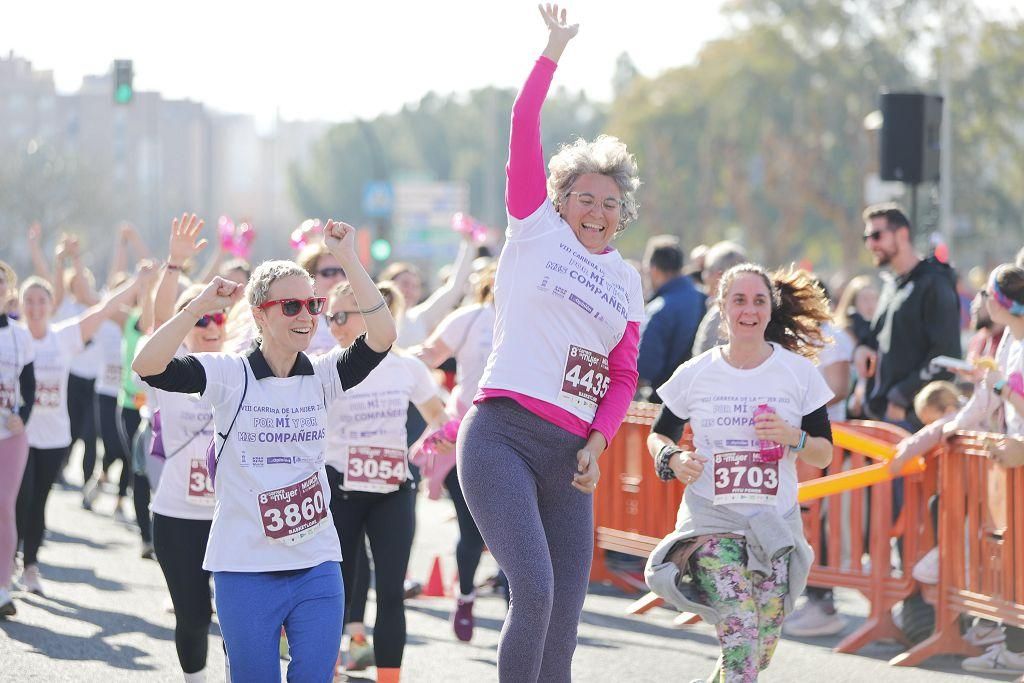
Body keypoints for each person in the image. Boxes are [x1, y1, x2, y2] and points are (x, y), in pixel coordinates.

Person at [457, 6, 644, 680]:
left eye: (610, 203)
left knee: (566, 614)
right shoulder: (534, 228)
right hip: (502, 434)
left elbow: (623, 375)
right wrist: (553, 50)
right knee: (532, 590)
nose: (597, 211)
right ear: (562, 199)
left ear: (625, 215)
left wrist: (597, 443)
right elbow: (523, 123)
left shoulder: (626, 280)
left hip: (572, 455)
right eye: (586, 197)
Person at [133, 219, 396, 683]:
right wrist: (198, 306)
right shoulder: (229, 375)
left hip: (316, 566)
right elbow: (148, 365)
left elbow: (382, 336)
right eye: (290, 305)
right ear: (259, 314)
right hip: (245, 568)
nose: (305, 316)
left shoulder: (323, 374)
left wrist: (349, 258)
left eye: (312, 305)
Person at [645, 264, 835, 683]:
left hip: (772, 525)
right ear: (722, 307)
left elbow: (823, 454)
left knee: (759, 647)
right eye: (739, 300)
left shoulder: (799, 375)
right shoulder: (696, 373)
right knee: (741, 631)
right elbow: (659, 434)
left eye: (758, 300)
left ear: (770, 309)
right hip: (714, 521)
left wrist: (793, 437)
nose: (748, 310)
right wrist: (673, 459)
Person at [324, 281, 447, 682]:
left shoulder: (407, 367)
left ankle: (389, 677)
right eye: (329, 317)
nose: (334, 326)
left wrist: (434, 444)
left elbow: (438, 419)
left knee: (391, 592)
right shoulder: (328, 367)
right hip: (340, 489)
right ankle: (329, 668)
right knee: (332, 589)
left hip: (392, 492)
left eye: (342, 316)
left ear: (371, 316)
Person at [14, 269, 146, 596]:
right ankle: (12, 558)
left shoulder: (63, 336)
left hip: (54, 436)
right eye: (28, 301)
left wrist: (136, 284)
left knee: (38, 501)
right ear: (19, 303)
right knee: (20, 499)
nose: (34, 307)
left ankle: (30, 566)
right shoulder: (13, 338)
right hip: (17, 436)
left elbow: (101, 311)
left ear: (50, 304)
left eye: (41, 300)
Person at [416, 263, 497, 641]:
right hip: (460, 434)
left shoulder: (538, 319)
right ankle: (465, 596)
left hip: (514, 440)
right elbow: (426, 358)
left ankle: (520, 614)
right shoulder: (470, 319)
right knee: (471, 529)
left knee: (510, 530)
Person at [148, 284, 223, 682]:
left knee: (236, 617)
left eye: (217, 317)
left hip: (230, 517)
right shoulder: (168, 368)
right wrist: (174, 270)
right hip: (177, 517)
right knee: (193, 617)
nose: (210, 326)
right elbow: (159, 329)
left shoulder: (239, 365)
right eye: (200, 320)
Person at [853, 204, 961, 426]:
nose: (870, 244)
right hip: (882, 415)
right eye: (867, 237)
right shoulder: (891, 285)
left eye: (876, 235)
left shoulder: (934, 283)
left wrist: (901, 396)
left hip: (916, 418)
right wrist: (862, 349)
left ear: (901, 234)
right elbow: (877, 340)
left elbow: (946, 356)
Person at [0, 261, 35, 618]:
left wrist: (22, 417)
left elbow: (30, 385)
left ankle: (2, 588)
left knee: (4, 507)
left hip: (9, 434)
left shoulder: (18, 335)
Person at [637, 235, 706, 403]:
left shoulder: (659, 310)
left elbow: (644, 369)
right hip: (701, 402)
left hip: (665, 407)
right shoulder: (704, 300)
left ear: (654, 269)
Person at [691, 241, 748, 357]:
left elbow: (704, 361)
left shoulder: (719, 314)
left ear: (719, 276)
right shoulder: (756, 310)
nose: (704, 277)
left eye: (706, 271)